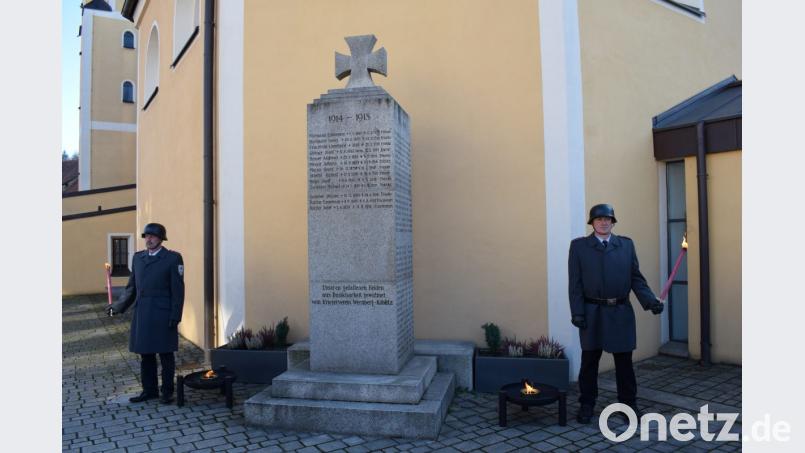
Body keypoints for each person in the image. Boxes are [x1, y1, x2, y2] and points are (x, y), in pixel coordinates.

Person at [568, 204, 664, 424]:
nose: (604, 222)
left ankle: (628, 405)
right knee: (589, 362)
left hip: (620, 312)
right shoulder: (579, 247)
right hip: (592, 313)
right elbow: (575, 284)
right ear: (592, 223)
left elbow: (636, 278)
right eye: (599, 219)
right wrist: (577, 312)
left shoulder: (626, 245)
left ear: (613, 222)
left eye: (608, 219)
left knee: (624, 364)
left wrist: (650, 301)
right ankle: (586, 404)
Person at [107, 223, 184, 404]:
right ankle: (149, 391)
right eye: (146, 236)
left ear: (161, 238)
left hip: (163, 313)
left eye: (152, 236)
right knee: (146, 354)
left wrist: (176, 315)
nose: (148, 239)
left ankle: (167, 391)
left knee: (166, 355)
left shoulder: (172, 259)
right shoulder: (138, 258)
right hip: (143, 312)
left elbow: (178, 290)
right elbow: (131, 287)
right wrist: (118, 307)